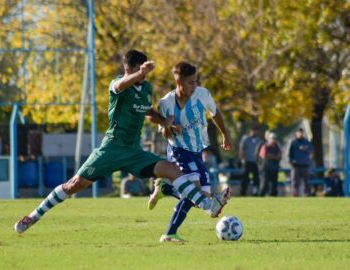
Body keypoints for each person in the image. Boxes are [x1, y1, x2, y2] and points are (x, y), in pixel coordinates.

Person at [14, 50, 231, 234]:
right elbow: (120, 86)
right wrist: (139, 73)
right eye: (139, 72)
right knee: (74, 185)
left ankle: (208, 205)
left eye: (145, 73)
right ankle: (33, 216)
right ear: (130, 70)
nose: (144, 77)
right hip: (112, 149)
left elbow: (146, 110)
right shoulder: (117, 85)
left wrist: (165, 121)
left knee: (172, 169)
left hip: (134, 151)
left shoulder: (146, 89)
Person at [147, 61, 232, 242]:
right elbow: (163, 132)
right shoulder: (166, 103)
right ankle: (169, 233)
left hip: (196, 151)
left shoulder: (203, 94)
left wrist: (225, 135)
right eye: (190, 82)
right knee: (196, 192)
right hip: (178, 150)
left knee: (203, 196)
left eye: (195, 81)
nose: (194, 85)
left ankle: (166, 189)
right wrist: (168, 126)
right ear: (179, 82)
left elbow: (215, 113)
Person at [288, 128, 313, 196]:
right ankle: (295, 193)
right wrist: (291, 162)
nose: (300, 134)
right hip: (296, 165)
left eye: (301, 133)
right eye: (299, 133)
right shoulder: (293, 142)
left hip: (304, 164)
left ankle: (306, 194)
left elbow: (311, 151)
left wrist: (305, 149)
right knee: (295, 181)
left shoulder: (306, 142)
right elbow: (290, 153)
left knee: (306, 181)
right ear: (296, 134)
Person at [239, 127, 261, 196]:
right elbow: (242, 149)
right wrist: (243, 159)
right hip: (247, 162)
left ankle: (255, 193)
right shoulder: (246, 139)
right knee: (245, 178)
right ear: (250, 131)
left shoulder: (258, 140)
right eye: (253, 131)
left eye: (256, 131)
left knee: (256, 179)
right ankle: (243, 193)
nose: (254, 132)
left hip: (255, 162)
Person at [259, 132, 282, 196]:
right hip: (266, 168)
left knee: (274, 185)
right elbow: (264, 155)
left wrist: (271, 156)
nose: (273, 140)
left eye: (274, 138)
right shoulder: (265, 146)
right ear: (269, 139)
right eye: (272, 138)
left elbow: (279, 157)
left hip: (274, 168)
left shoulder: (277, 147)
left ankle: (273, 198)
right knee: (264, 184)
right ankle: (260, 197)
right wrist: (274, 156)